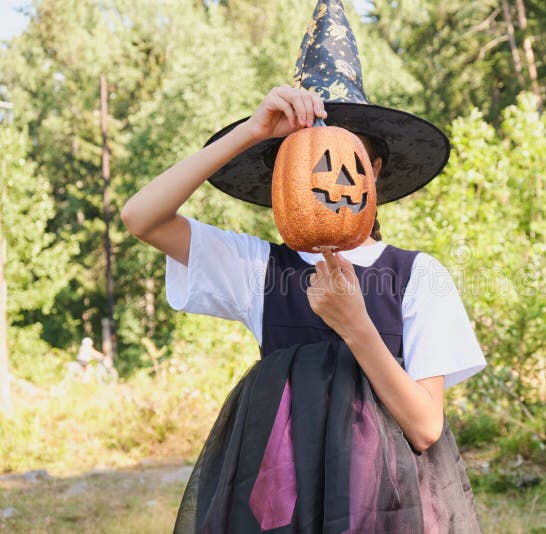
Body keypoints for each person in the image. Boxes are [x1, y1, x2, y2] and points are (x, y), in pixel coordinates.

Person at [122, 1, 486, 532]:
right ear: (280, 178)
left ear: (374, 169)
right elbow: (141, 216)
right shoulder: (258, 269)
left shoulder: (418, 276)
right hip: (281, 502)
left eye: (343, 157)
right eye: (302, 158)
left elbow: (427, 427)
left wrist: (356, 325)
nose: (326, 175)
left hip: (384, 507)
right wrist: (249, 132)